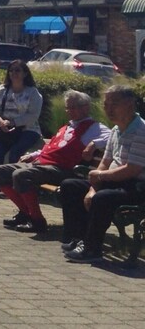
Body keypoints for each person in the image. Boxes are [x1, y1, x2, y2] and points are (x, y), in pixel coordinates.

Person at [0, 90, 110, 234]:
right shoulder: (67, 127)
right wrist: (33, 155)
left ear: (86, 107)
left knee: (21, 175)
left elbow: (112, 137)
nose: (69, 111)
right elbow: (51, 147)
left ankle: (37, 220)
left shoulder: (94, 128)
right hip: (42, 163)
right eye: (67, 107)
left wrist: (94, 144)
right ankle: (25, 213)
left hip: (62, 168)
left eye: (73, 107)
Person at [61, 85, 145, 262]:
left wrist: (98, 179)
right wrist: (93, 187)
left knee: (102, 198)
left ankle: (92, 249)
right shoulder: (116, 130)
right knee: (70, 186)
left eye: (114, 104)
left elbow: (132, 169)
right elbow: (105, 162)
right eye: (106, 105)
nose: (108, 109)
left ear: (129, 105)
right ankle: (77, 238)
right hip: (113, 181)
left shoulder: (141, 131)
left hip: (135, 186)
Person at [0, 60, 43, 197]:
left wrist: (14, 122)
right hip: (5, 130)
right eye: (11, 70)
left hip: (28, 130)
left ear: (25, 73)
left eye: (17, 70)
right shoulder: (2, 90)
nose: (13, 73)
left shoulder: (33, 93)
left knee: (15, 152)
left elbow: (33, 115)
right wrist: (0, 121)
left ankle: (12, 186)